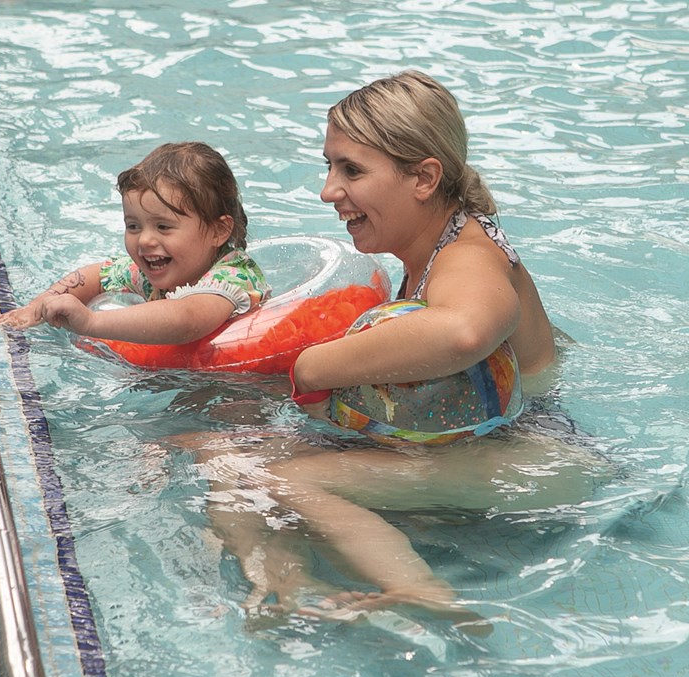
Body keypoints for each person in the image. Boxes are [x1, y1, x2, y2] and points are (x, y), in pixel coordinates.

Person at [181, 72, 610, 629]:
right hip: (481, 441)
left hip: (538, 457)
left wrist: (312, 366)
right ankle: (284, 581)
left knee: (290, 481)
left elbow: (464, 332)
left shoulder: (469, 256)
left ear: (425, 177)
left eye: (352, 170)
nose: (328, 191)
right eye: (329, 166)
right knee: (221, 448)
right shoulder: (429, 249)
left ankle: (421, 592)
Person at [0, 142, 270, 344]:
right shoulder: (153, 275)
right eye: (133, 226)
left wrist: (91, 323)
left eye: (163, 226)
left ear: (219, 231)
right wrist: (35, 309)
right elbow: (97, 275)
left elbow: (187, 317)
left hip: (241, 393)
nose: (144, 239)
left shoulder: (233, 277)